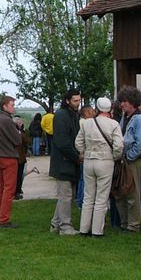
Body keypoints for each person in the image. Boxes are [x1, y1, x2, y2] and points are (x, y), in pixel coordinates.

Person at [75, 96, 123, 237]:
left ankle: (84, 229)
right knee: (102, 198)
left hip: (89, 161)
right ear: (110, 109)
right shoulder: (114, 124)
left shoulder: (87, 123)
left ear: (97, 108)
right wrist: (114, 157)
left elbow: (78, 143)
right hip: (106, 161)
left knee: (88, 196)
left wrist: (84, 153)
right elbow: (119, 146)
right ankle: (97, 230)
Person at [116, 86, 141, 233]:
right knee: (121, 192)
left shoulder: (140, 119)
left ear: (132, 102)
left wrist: (129, 157)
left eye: (125, 101)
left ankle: (133, 225)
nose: (122, 104)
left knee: (132, 193)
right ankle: (125, 222)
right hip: (124, 160)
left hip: (133, 161)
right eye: (121, 101)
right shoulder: (125, 117)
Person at [49, 89, 82, 235]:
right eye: (75, 101)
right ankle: (65, 227)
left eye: (79, 100)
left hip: (68, 161)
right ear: (67, 100)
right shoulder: (62, 116)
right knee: (66, 195)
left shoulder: (72, 115)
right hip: (63, 161)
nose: (78, 103)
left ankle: (55, 224)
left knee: (65, 195)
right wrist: (77, 156)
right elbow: (62, 142)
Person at [0, 95, 21, 228]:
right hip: (9, 157)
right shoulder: (7, 120)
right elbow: (17, 140)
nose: (13, 108)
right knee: (9, 189)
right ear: (4, 106)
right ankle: (4, 219)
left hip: (0, 156)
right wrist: (18, 132)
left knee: (2, 188)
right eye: (12, 105)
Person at [14, 117, 31, 199]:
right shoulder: (19, 133)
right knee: (18, 175)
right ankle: (17, 191)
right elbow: (27, 140)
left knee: (18, 175)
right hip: (19, 157)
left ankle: (17, 190)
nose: (21, 124)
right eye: (20, 123)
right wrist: (21, 132)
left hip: (17, 157)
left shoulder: (17, 132)